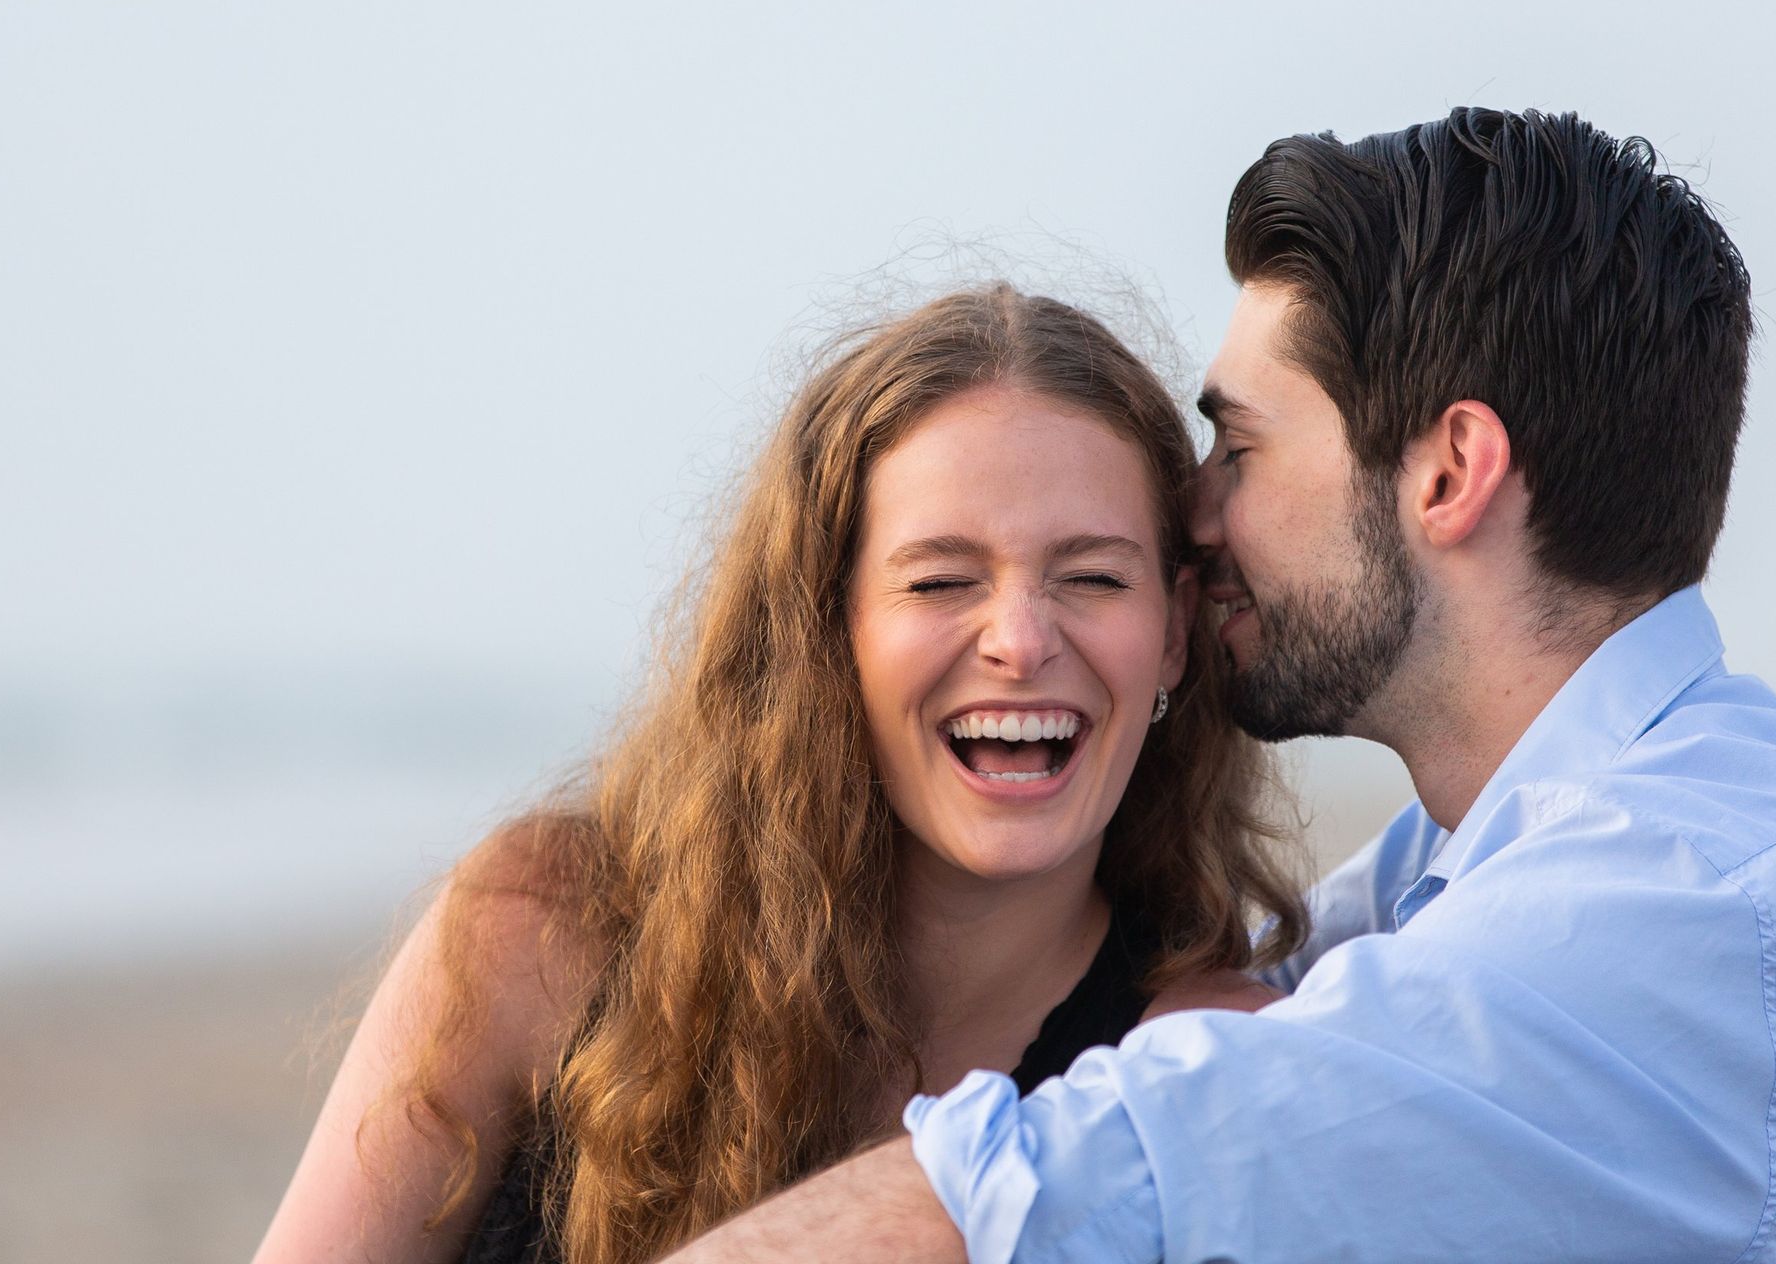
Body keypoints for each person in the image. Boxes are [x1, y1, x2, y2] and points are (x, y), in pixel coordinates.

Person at [664, 109, 1776, 1262]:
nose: (1190, 515)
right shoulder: (1471, 856)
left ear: (1450, 473)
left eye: (1239, 449)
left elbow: (1059, 1191)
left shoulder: (1662, 910)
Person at [252, 286, 1310, 1264]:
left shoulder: (1200, 1065)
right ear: (825, 627)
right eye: (942, 577)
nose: (1021, 639)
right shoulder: (539, 925)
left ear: (1173, 631)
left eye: (1091, 576)